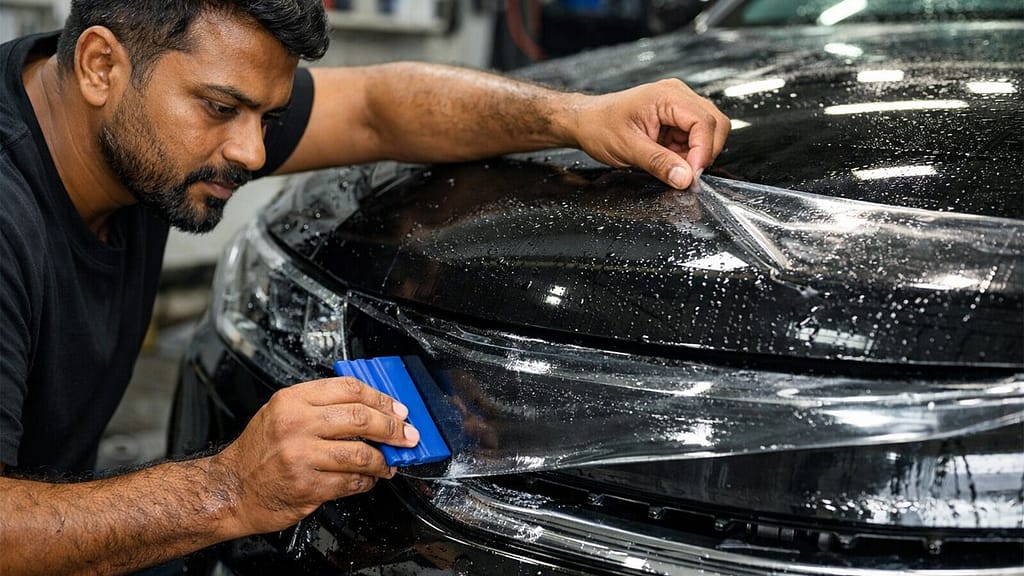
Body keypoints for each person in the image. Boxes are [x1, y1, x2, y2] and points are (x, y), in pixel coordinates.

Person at [0, 1, 729, 573]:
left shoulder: (132, 120)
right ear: (101, 65)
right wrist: (228, 489)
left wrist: (576, 116)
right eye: (221, 109)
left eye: (270, 118)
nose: (252, 152)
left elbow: (378, 106)